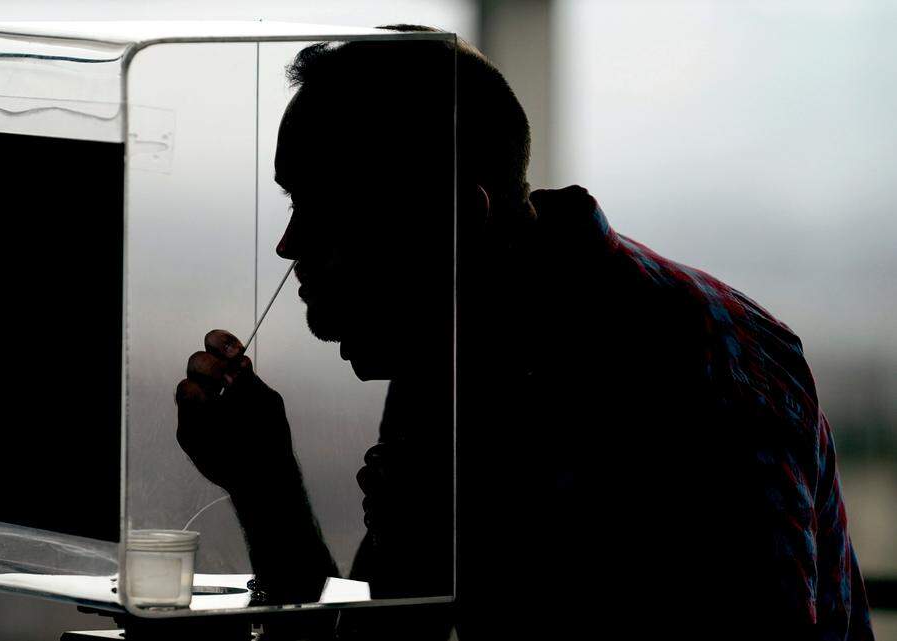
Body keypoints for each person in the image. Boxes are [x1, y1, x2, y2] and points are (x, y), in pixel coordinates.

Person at [174, 26, 872, 640]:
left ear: (456, 217)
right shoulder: (452, 353)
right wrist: (265, 483)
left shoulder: (700, 376)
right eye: (294, 203)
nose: (289, 246)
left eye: (329, 211)